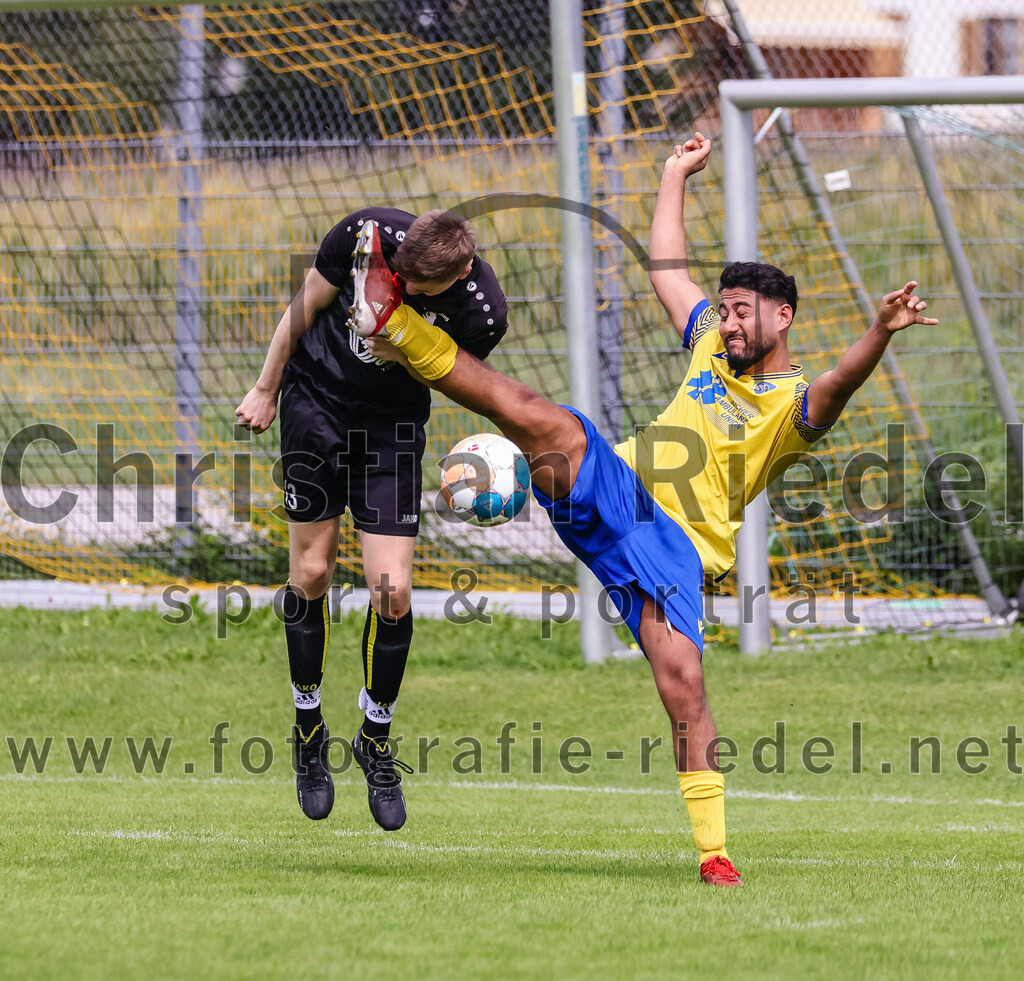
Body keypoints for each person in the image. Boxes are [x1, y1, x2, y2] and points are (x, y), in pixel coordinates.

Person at [346, 134, 937, 886]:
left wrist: (880, 331)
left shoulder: (795, 405)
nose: (726, 324)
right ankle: (394, 322)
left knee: (682, 682)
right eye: (722, 311)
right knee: (545, 422)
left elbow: (844, 382)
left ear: (783, 317)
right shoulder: (708, 351)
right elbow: (667, 269)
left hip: (676, 550)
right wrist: (672, 176)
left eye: (742, 314)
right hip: (619, 489)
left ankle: (714, 851)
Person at [235, 207, 508, 831]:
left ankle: (375, 739)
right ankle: (308, 727)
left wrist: (408, 348)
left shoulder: (481, 310)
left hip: (392, 427)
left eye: (422, 290)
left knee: (394, 590)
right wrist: (266, 386)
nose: (405, 290)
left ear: (461, 271)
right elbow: (304, 307)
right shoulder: (369, 236)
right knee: (310, 572)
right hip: (316, 405)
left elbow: (464, 380)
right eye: (402, 279)